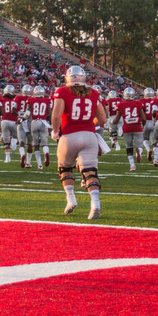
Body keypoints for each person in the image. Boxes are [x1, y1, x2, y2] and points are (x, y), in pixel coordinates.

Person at [50, 66, 108, 219]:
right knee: (90, 172)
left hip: (69, 136)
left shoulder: (62, 91)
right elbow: (102, 119)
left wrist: (55, 131)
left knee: (65, 169)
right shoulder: (93, 92)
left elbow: (56, 116)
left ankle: (71, 199)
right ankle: (95, 204)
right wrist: (88, 123)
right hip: (89, 136)